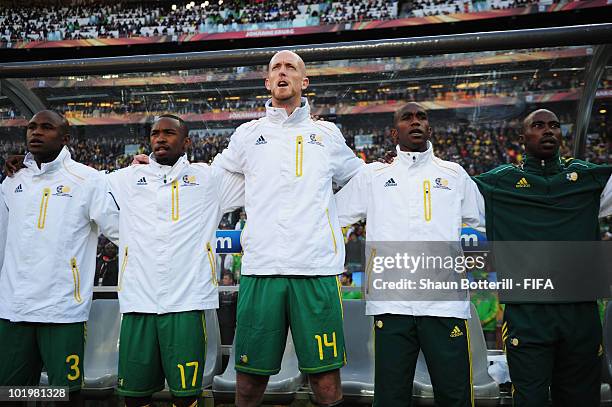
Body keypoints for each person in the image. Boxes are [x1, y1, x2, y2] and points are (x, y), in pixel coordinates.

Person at [212, 50, 365, 406]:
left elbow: (360, 181)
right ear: (267, 82)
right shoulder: (247, 134)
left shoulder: (326, 135)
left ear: (303, 81)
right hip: (261, 270)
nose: (282, 73)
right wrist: (158, 171)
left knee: (326, 382)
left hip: (315, 271)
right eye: (275, 68)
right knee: (248, 381)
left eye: (291, 67)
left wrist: (330, 218)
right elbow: (214, 181)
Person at [335, 102, 482, 406]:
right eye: (407, 118)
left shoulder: (454, 175)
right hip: (392, 305)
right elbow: (332, 217)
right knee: (390, 398)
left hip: (444, 306)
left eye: (421, 117)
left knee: (455, 396)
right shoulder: (373, 176)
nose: (415, 122)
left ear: (430, 128)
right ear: (393, 131)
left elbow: (486, 218)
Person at [473, 108, 612, 406]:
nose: (548, 130)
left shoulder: (590, 178)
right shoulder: (495, 184)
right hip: (528, 315)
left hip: (581, 313)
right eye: (538, 125)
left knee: (582, 399)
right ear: (522, 137)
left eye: (554, 125)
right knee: (529, 399)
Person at [104, 114, 244, 407]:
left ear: (187, 141)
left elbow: (255, 178)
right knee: (134, 395)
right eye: (155, 133)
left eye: (169, 133)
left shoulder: (208, 179)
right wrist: (130, 239)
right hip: (138, 301)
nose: (160, 138)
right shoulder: (126, 179)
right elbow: (89, 201)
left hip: (187, 302)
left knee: (186, 396)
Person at [0, 110, 119, 405]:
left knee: (64, 395)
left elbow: (120, 231)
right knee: (10, 394)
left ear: (65, 138)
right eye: (31, 127)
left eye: (46, 127)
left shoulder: (87, 180)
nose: (35, 132)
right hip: (13, 309)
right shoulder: (13, 180)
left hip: (62, 310)